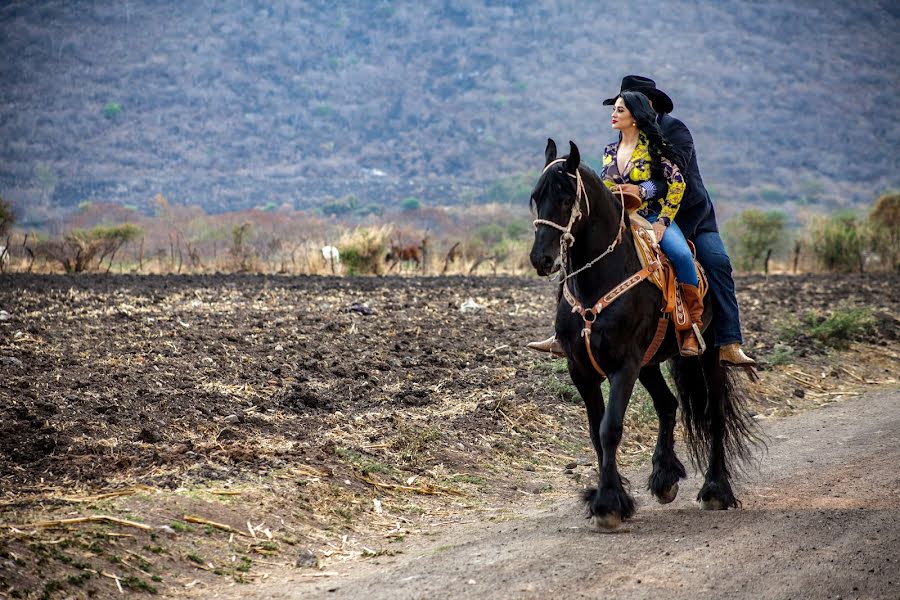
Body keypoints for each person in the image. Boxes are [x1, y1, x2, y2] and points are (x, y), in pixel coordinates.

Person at [529, 75, 756, 367]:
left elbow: (677, 179)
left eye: (624, 105)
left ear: (643, 104)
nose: (616, 111)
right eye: (618, 105)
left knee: (716, 262)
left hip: (688, 217)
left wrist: (643, 193)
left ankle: (726, 341)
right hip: (634, 216)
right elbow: (607, 184)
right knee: (585, 252)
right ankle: (563, 331)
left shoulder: (674, 131)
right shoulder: (615, 146)